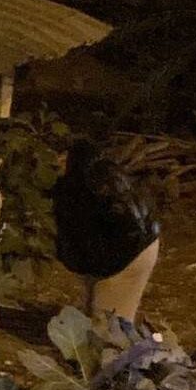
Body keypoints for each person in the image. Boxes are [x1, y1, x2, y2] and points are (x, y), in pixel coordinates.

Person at [52, 138, 161, 323]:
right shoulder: (111, 172)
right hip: (146, 245)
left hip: (124, 255)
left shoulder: (78, 186)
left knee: (108, 325)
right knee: (114, 314)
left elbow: (85, 231)